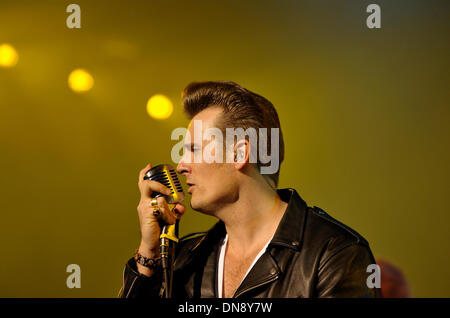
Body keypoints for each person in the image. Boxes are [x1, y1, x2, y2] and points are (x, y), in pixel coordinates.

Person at [119, 81, 381, 298]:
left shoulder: (334, 254)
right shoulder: (186, 259)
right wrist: (149, 254)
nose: (181, 165)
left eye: (194, 149)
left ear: (240, 153)